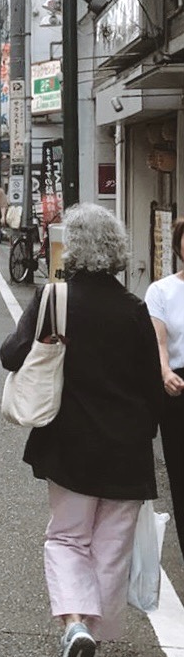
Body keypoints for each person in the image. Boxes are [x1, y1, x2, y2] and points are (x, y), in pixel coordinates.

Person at [0, 204, 161, 657]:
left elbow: (11, 354)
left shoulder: (56, 298)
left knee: (68, 537)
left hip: (70, 443)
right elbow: (152, 388)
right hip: (127, 449)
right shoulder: (134, 309)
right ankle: (89, 645)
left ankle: (73, 626)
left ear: (73, 247)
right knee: (111, 548)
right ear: (116, 251)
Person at [144, 215, 184, 562]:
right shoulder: (161, 290)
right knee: (181, 476)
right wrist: (164, 371)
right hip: (177, 388)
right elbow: (157, 340)